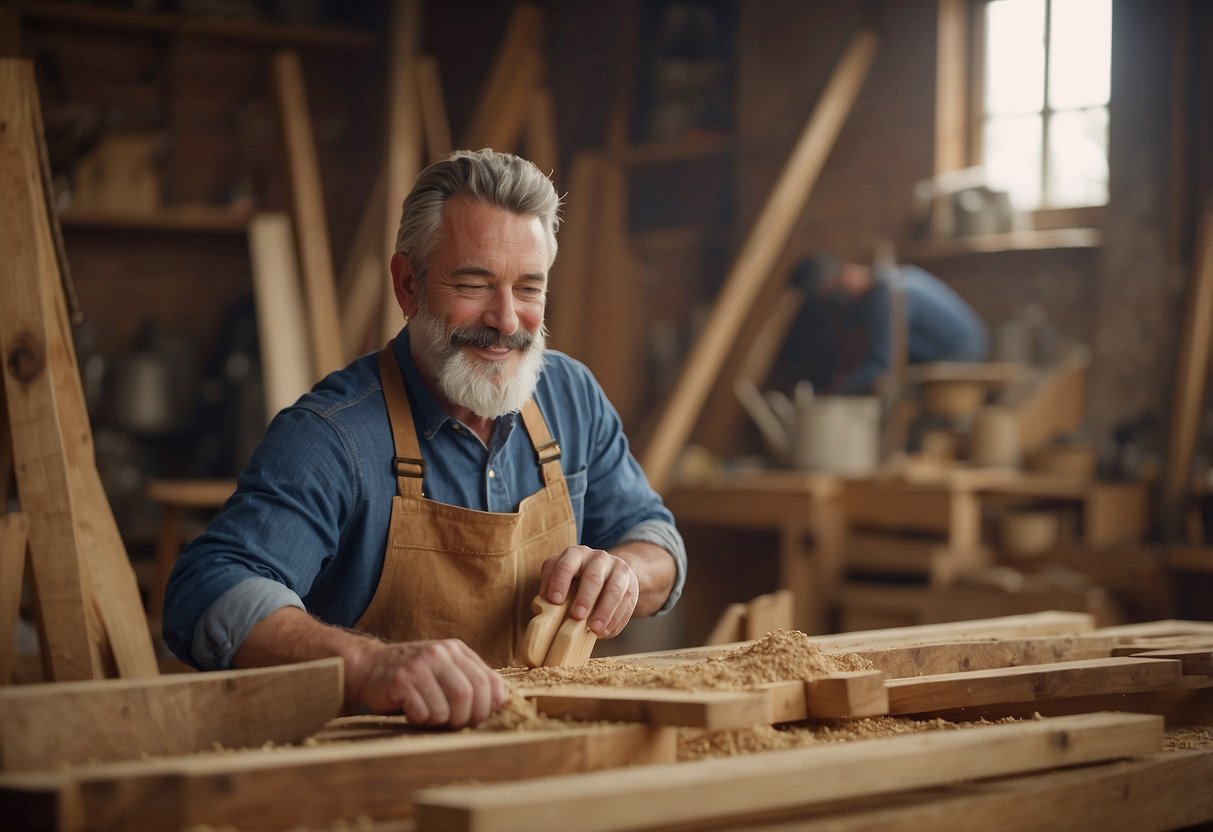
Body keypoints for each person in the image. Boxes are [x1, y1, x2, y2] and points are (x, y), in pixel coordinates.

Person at [163, 149, 686, 729]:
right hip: (375, 778)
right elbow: (207, 589)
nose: (507, 320)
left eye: (529, 289)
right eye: (474, 283)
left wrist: (627, 572)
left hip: (541, 756)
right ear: (407, 285)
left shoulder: (572, 397)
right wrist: (369, 663)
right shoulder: (331, 436)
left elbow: (656, 538)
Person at [788, 253, 988, 395]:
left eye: (828, 295)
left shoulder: (888, 295)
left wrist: (837, 391)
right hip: (963, 347)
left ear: (839, 279)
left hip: (961, 356)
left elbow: (883, 365)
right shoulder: (892, 277)